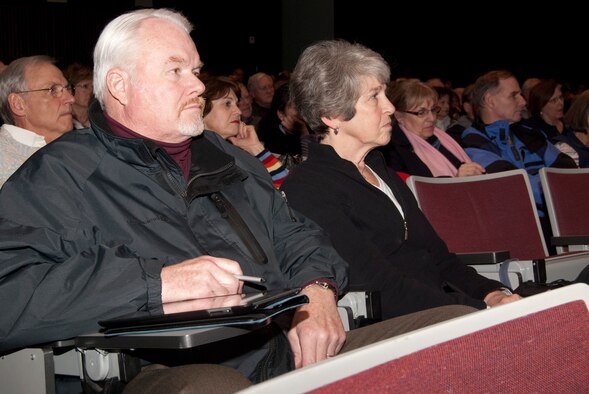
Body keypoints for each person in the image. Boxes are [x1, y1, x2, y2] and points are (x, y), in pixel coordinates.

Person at [0, 9, 474, 392]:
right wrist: (155, 284)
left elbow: (299, 234)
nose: (198, 85)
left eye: (196, 70)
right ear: (120, 86)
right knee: (211, 386)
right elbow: (11, 296)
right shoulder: (64, 174)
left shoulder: (226, 158)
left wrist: (318, 293)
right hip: (159, 369)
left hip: (280, 349)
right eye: (175, 71)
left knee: (457, 330)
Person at [280, 40, 521, 321]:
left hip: (444, 311)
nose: (391, 107)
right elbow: (380, 286)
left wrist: (493, 293)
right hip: (399, 327)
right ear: (333, 115)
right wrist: (479, 310)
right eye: (374, 97)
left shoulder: (382, 173)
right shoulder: (310, 190)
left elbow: (440, 259)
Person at [461, 70, 577, 220]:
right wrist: (565, 192)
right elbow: (516, 185)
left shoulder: (529, 133)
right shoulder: (473, 140)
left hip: (558, 218)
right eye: (513, 95)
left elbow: (568, 169)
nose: (523, 102)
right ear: (490, 101)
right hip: (518, 227)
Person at [379, 79, 485, 178]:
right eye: (421, 112)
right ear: (399, 116)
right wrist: (457, 181)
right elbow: (412, 193)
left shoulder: (440, 138)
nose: (432, 118)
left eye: (433, 110)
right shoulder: (392, 153)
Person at [0, 55, 74, 187]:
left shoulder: (82, 146)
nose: (70, 99)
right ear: (18, 104)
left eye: (68, 89)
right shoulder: (4, 161)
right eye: (53, 90)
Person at [202, 75, 289, 187]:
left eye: (236, 104)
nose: (238, 111)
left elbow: (289, 188)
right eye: (227, 104)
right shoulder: (194, 162)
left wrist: (255, 147)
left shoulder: (238, 155)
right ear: (202, 111)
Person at [63, 62, 94, 129]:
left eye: (93, 86)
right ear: (70, 89)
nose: (91, 91)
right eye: (85, 86)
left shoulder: (99, 120)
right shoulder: (62, 122)